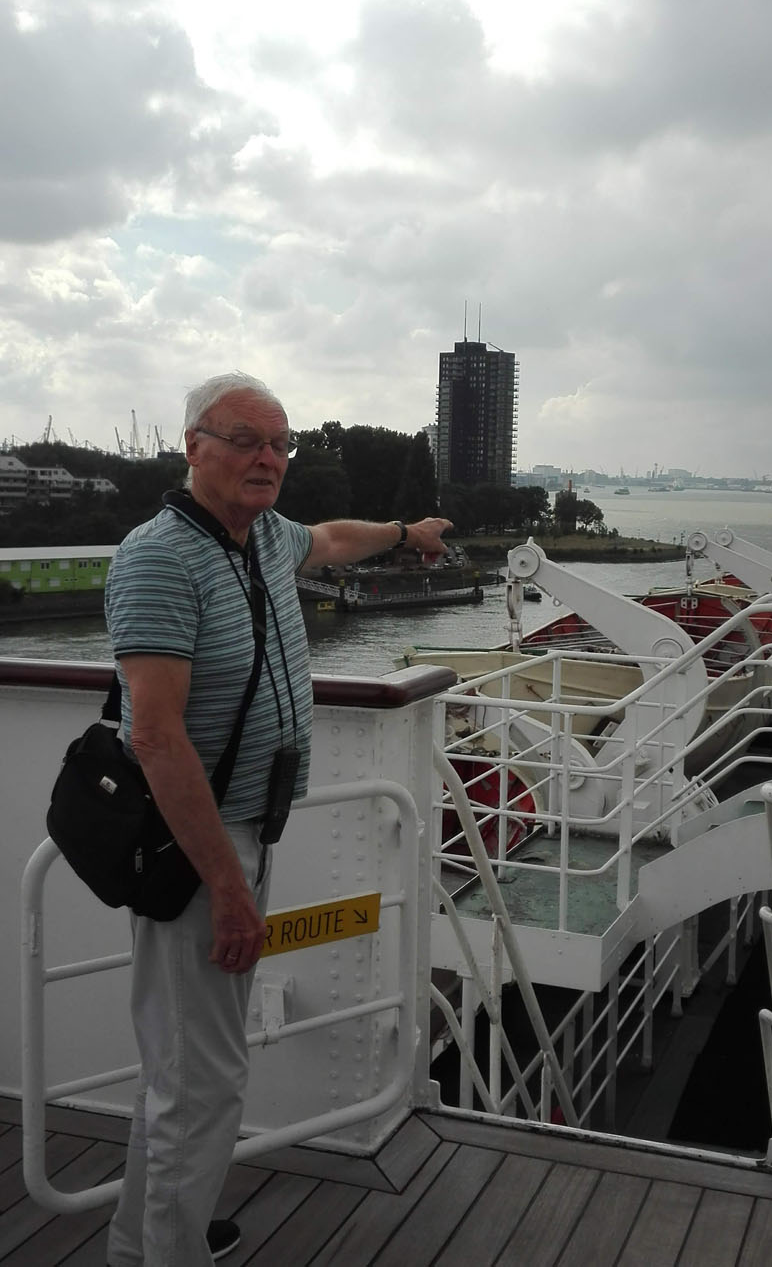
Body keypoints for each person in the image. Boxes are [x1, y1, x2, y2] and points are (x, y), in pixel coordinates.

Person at [104, 372, 451, 1266]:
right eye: (246, 439)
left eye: (280, 443)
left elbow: (331, 538)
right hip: (197, 847)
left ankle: (143, 1245)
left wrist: (404, 532)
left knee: (184, 1074)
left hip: (244, 834)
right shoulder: (159, 557)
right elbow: (156, 736)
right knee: (204, 1083)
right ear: (193, 446)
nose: (268, 457)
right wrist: (227, 888)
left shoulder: (259, 536)